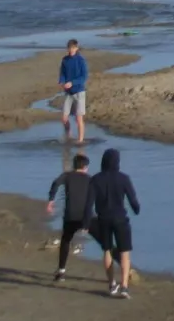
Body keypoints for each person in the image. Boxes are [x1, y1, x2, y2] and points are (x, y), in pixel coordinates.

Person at [90, 147, 141, 298]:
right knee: (125, 252)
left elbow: (89, 203)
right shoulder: (124, 178)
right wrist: (136, 209)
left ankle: (112, 284)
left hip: (103, 219)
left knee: (107, 251)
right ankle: (124, 286)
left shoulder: (95, 179)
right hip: (120, 219)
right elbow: (133, 200)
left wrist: (86, 222)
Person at [46, 153, 93, 281]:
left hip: (70, 215)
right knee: (104, 242)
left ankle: (61, 270)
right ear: (85, 167)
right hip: (86, 216)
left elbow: (55, 183)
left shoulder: (67, 176)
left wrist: (51, 200)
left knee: (66, 240)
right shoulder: (90, 179)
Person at [58, 39, 88, 143]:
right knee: (64, 118)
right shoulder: (65, 60)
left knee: (78, 118)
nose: (70, 50)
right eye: (69, 48)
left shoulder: (80, 60)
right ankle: (69, 136)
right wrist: (62, 81)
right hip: (68, 92)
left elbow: (84, 77)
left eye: (72, 48)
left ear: (76, 48)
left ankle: (80, 140)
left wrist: (72, 82)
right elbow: (62, 73)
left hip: (79, 91)